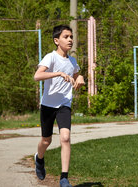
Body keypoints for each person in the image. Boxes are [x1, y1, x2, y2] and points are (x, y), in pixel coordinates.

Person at [33, 25, 85, 187]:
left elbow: (77, 74)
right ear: (57, 40)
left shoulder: (72, 61)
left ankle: (64, 178)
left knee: (65, 138)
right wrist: (58, 73)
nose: (70, 40)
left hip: (64, 104)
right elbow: (37, 76)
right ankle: (39, 159)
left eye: (71, 37)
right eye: (66, 37)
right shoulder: (51, 57)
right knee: (46, 141)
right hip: (48, 105)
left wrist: (81, 79)